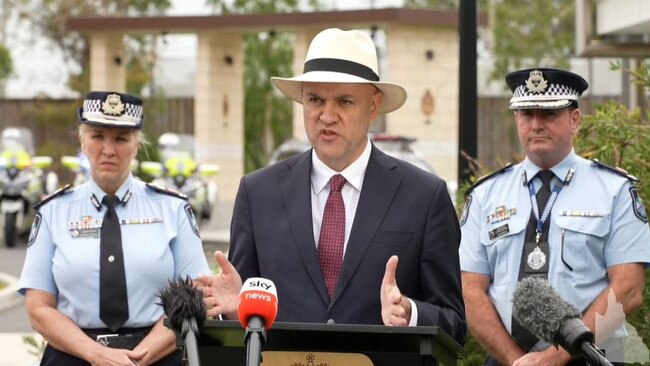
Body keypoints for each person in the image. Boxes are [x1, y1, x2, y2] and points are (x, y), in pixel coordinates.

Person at [197, 27, 466, 344]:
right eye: (315, 100)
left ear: (373, 106)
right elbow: (241, 319)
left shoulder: (424, 197)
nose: (327, 115)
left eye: (344, 101)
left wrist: (410, 313)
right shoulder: (258, 194)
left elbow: (455, 325)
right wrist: (231, 310)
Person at [459, 68, 650, 365]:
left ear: (574, 120)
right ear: (516, 119)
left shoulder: (614, 190)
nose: (536, 124)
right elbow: (470, 289)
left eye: (548, 114)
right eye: (527, 113)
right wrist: (516, 360)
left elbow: (629, 289)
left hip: (593, 356)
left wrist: (553, 357)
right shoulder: (486, 195)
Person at [18, 91, 211, 366]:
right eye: (98, 136)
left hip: (158, 355)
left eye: (121, 138)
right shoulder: (53, 212)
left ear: (137, 144)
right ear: (82, 141)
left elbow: (196, 295)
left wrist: (137, 359)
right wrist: (97, 355)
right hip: (74, 356)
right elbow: (38, 308)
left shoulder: (173, 210)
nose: (108, 149)